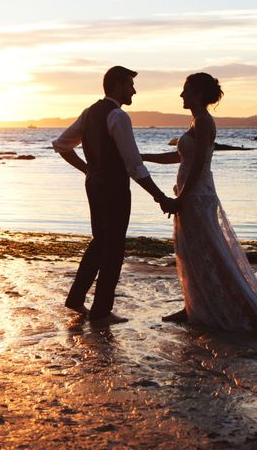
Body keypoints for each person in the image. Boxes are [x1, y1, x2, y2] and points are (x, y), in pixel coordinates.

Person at [141, 73, 257, 335]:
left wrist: (181, 199)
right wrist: (140, 156)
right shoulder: (196, 122)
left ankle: (212, 308)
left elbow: (198, 165)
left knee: (206, 254)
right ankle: (193, 307)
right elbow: (179, 158)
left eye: (186, 90)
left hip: (197, 198)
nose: (181, 95)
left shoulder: (203, 121)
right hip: (191, 196)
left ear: (199, 94)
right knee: (190, 253)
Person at [53, 66, 177, 325]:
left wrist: (88, 170)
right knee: (113, 248)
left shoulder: (89, 113)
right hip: (114, 188)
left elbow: (62, 145)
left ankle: (76, 298)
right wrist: (159, 196)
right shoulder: (118, 116)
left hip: (94, 185)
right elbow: (133, 165)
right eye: (131, 85)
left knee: (100, 242)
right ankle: (101, 311)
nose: (134, 90)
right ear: (118, 85)